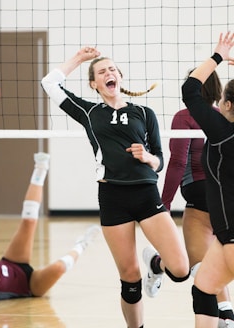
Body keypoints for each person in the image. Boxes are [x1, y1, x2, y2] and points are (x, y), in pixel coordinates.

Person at [41, 48, 190, 327]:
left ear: (120, 77)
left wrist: (147, 158)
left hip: (146, 193)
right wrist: (80, 59)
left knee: (181, 270)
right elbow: (49, 83)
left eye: (112, 69)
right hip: (113, 196)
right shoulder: (88, 112)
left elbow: (159, 161)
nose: (109, 73)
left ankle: (155, 265)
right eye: (101, 72)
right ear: (94, 84)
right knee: (129, 276)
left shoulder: (144, 113)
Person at [0, 152, 101, 307]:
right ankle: (81, 244)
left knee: (29, 221)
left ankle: (41, 168)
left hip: (14, 262)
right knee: (59, 267)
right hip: (31, 285)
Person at [162, 70, 234, 328]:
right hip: (222, 214)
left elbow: (178, 161)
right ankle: (226, 314)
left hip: (205, 201)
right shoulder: (221, 121)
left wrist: (164, 205)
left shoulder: (202, 122)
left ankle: (157, 263)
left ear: (227, 103)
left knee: (193, 269)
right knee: (205, 280)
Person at [181, 31, 234, 328]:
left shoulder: (222, 133)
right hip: (225, 238)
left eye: (224, 98)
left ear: (226, 105)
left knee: (205, 291)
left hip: (232, 235)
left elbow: (191, 89)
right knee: (203, 290)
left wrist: (218, 57)